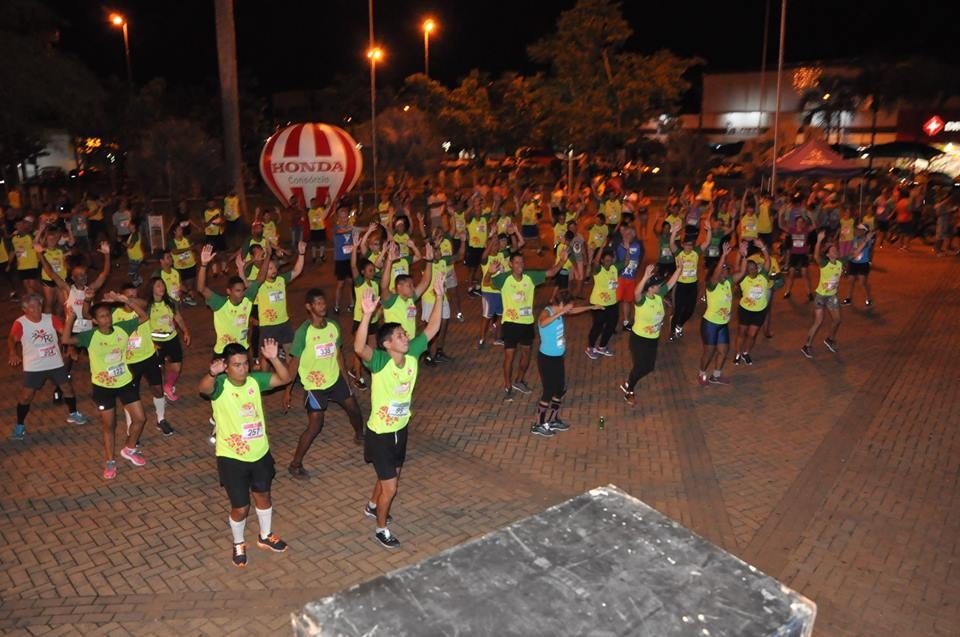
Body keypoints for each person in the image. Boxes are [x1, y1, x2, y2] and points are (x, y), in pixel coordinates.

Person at [353, 275, 444, 548]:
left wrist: (439, 296)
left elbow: (433, 328)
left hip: (401, 428)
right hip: (380, 432)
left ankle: (372, 506)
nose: (406, 337)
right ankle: (381, 529)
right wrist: (367, 315)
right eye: (400, 336)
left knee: (390, 473)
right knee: (391, 487)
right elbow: (359, 347)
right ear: (387, 344)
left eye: (405, 334)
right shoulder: (380, 361)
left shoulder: (413, 352)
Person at [198, 339, 292, 567]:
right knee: (240, 507)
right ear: (226, 367)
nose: (242, 368)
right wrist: (211, 373)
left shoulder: (254, 381)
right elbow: (203, 389)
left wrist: (273, 358)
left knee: (263, 496)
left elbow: (285, 378)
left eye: (245, 363)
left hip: (260, 453)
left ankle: (265, 535)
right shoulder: (220, 385)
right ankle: (238, 542)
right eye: (237, 365)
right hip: (232, 457)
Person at [60, 292, 149, 480]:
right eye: (101, 316)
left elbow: (144, 316)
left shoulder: (122, 329)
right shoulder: (89, 337)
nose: (106, 319)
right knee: (109, 425)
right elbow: (66, 340)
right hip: (103, 387)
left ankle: (129, 448)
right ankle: (110, 461)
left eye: (108, 315)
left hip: (124, 381)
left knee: (140, 418)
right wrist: (70, 319)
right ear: (94, 320)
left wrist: (126, 300)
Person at [283, 289, 365, 478]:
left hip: (335, 380)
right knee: (315, 425)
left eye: (323, 302)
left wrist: (347, 381)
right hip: (314, 386)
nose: (323, 306)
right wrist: (287, 391)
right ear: (309, 307)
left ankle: (360, 436)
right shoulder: (304, 332)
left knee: (354, 408)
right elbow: (293, 364)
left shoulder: (333, 327)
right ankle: (295, 464)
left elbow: (338, 356)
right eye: (318, 303)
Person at [8, 293, 89, 440]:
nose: (37, 309)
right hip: (34, 366)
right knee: (26, 396)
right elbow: (12, 339)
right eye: (32, 307)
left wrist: (70, 347)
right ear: (24, 309)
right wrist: (13, 352)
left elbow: (64, 333)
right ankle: (20, 425)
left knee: (67, 388)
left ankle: (73, 413)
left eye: (39, 305)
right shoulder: (20, 323)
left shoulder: (50, 318)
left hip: (55, 362)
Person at [488, 249, 566, 402]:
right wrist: (489, 273)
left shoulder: (530, 277)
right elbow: (486, 282)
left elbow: (550, 273)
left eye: (522, 262)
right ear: (510, 264)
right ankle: (507, 386)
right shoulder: (503, 279)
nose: (520, 265)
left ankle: (519, 380)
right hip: (510, 323)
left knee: (526, 355)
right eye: (517, 262)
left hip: (527, 323)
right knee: (509, 356)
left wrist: (562, 261)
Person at [532, 291, 598, 437]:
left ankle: (553, 419)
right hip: (546, 359)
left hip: (558, 357)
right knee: (548, 391)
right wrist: (561, 312)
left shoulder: (561, 311)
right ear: (561, 304)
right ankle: (538, 424)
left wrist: (591, 307)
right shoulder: (547, 312)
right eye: (568, 307)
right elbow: (542, 323)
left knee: (560, 388)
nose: (570, 310)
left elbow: (574, 310)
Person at [619, 263, 681, 406]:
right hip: (639, 339)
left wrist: (679, 268)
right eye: (658, 285)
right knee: (640, 366)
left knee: (649, 367)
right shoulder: (642, 301)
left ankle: (628, 383)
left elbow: (671, 283)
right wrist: (645, 276)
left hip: (653, 339)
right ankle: (629, 390)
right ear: (651, 288)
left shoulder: (658, 296)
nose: (661, 287)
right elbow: (636, 293)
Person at [197, 243, 267, 354]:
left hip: (243, 350)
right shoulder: (220, 303)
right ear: (228, 291)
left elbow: (261, 278)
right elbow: (201, 288)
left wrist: (268, 256)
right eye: (238, 291)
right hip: (223, 353)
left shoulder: (247, 299)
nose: (242, 293)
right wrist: (204, 265)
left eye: (243, 290)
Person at [252, 241, 306, 367]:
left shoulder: (281, 280)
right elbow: (244, 280)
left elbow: (297, 270)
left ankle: (291, 378)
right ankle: (264, 382)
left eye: (275, 267)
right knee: (265, 356)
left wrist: (302, 254)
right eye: (270, 268)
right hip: (268, 326)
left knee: (290, 351)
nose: (274, 270)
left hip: (284, 323)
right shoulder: (259, 285)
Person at [147, 276, 191, 403]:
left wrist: (186, 331)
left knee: (177, 365)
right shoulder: (148, 306)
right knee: (159, 369)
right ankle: (160, 395)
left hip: (172, 338)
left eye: (162, 285)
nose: (162, 287)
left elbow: (178, 318)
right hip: (156, 342)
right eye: (158, 285)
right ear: (152, 289)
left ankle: (168, 386)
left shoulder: (170, 302)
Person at [801, 231, 844, 359]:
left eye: (836, 250)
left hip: (832, 296)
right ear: (828, 254)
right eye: (833, 250)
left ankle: (830, 339)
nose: (835, 252)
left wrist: (865, 241)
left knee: (837, 320)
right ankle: (806, 346)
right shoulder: (824, 264)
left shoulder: (840, 263)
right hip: (820, 296)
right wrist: (819, 240)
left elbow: (854, 254)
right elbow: (815, 256)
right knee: (818, 321)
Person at [697, 243, 734, 385]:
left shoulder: (727, 283)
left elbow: (742, 272)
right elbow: (716, 273)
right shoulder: (712, 284)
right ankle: (702, 374)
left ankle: (716, 376)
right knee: (709, 352)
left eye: (726, 269)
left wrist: (742, 256)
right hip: (710, 324)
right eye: (723, 269)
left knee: (724, 351)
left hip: (723, 324)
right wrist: (723, 256)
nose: (726, 271)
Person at [732, 240, 771, 366]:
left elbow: (768, 262)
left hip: (759, 311)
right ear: (746, 270)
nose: (753, 270)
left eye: (754, 268)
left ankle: (746, 353)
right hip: (745, 310)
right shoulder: (743, 279)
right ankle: (738, 353)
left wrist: (763, 247)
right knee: (741, 333)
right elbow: (736, 267)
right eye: (750, 269)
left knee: (752, 335)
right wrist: (740, 252)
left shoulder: (763, 277)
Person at [669, 226, 708, 341]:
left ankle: (679, 325)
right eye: (687, 244)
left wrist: (709, 231)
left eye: (691, 245)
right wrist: (675, 232)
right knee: (679, 309)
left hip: (692, 285)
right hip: (680, 285)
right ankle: (672, 331)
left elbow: (707, 242)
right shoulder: (678, 253)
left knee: (690, 310)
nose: (689, 247)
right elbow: (671, 243)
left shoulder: (695, 253)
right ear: (682, 244)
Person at [585, 248, 619, 359]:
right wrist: (602, 247)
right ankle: (590, 348)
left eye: (610, 260)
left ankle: (602, 346)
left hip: (612, 303)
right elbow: (595, 262)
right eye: (607, 260)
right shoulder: (598, 270)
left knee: (611, 325)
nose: (609, 262)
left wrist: (628, 249)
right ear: (602, 261)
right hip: (598, 304)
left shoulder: (614, 268)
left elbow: (627, 262)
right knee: (598, 326)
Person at [615, 226, 644, 330]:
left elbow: (636, 259)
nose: (626, 237)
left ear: (634, 236)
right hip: (620, 278)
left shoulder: (637, 246)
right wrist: (626, 248)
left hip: (631, 278)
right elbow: (624, 262)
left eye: (629, 235)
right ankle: (612, 322)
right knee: (615, 300)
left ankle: (626, 322)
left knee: (627, 300)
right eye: (625, 234)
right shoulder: (620, 247)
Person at [782, 216, 814, 301]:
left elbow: (814, 226)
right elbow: (781, 225)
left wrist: (810, 216)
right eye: (798, 222)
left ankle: (809, 293)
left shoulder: (805, 230)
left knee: (805, 274)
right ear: (795, 223)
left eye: (801, 222)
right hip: (794, 254)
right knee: (791, 273)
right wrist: (781, 214)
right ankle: (787, 291)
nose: (800, 223)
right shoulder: (792, 230)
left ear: (803, 223)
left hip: (803, 255)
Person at [168, 222, 198, 306]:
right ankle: (178, 300)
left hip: (191, 265)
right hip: (179, 268)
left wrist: (194, 255)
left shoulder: (187, 239)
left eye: (181, 229)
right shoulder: (172, 242)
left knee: (190, 285)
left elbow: (193, 248)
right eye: (179, 230)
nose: (181, 231)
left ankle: (188, 299)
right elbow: (175, 251)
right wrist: (188, 248)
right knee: (179, 285)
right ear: (174, 232)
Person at [331, 207, 355, 314]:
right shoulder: (336, 228)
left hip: (350, 259)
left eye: (346, 217)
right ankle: (336, 305)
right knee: (340, 284)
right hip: (340, 260)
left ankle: (352, 304)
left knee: (351, 282)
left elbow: (358, 231)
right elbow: (341, 231)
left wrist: (371, 228)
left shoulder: (351, 228)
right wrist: (351, 229)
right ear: (338, 217)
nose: (344, 219)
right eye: (342, 217)